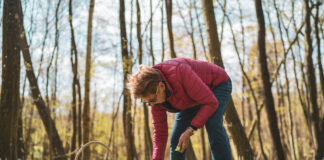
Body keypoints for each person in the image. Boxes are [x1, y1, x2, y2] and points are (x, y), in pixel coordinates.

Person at [127, 57, 232, 160]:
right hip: (192, 98)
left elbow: (211, 102)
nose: (152, 104)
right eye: (147, 102)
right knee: (176, 139)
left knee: (212, 122)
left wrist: (190, 130)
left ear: (161, 87)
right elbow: (160, 134)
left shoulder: (179, 71)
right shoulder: (155, 100)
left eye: (152, 100)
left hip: (217, 85)